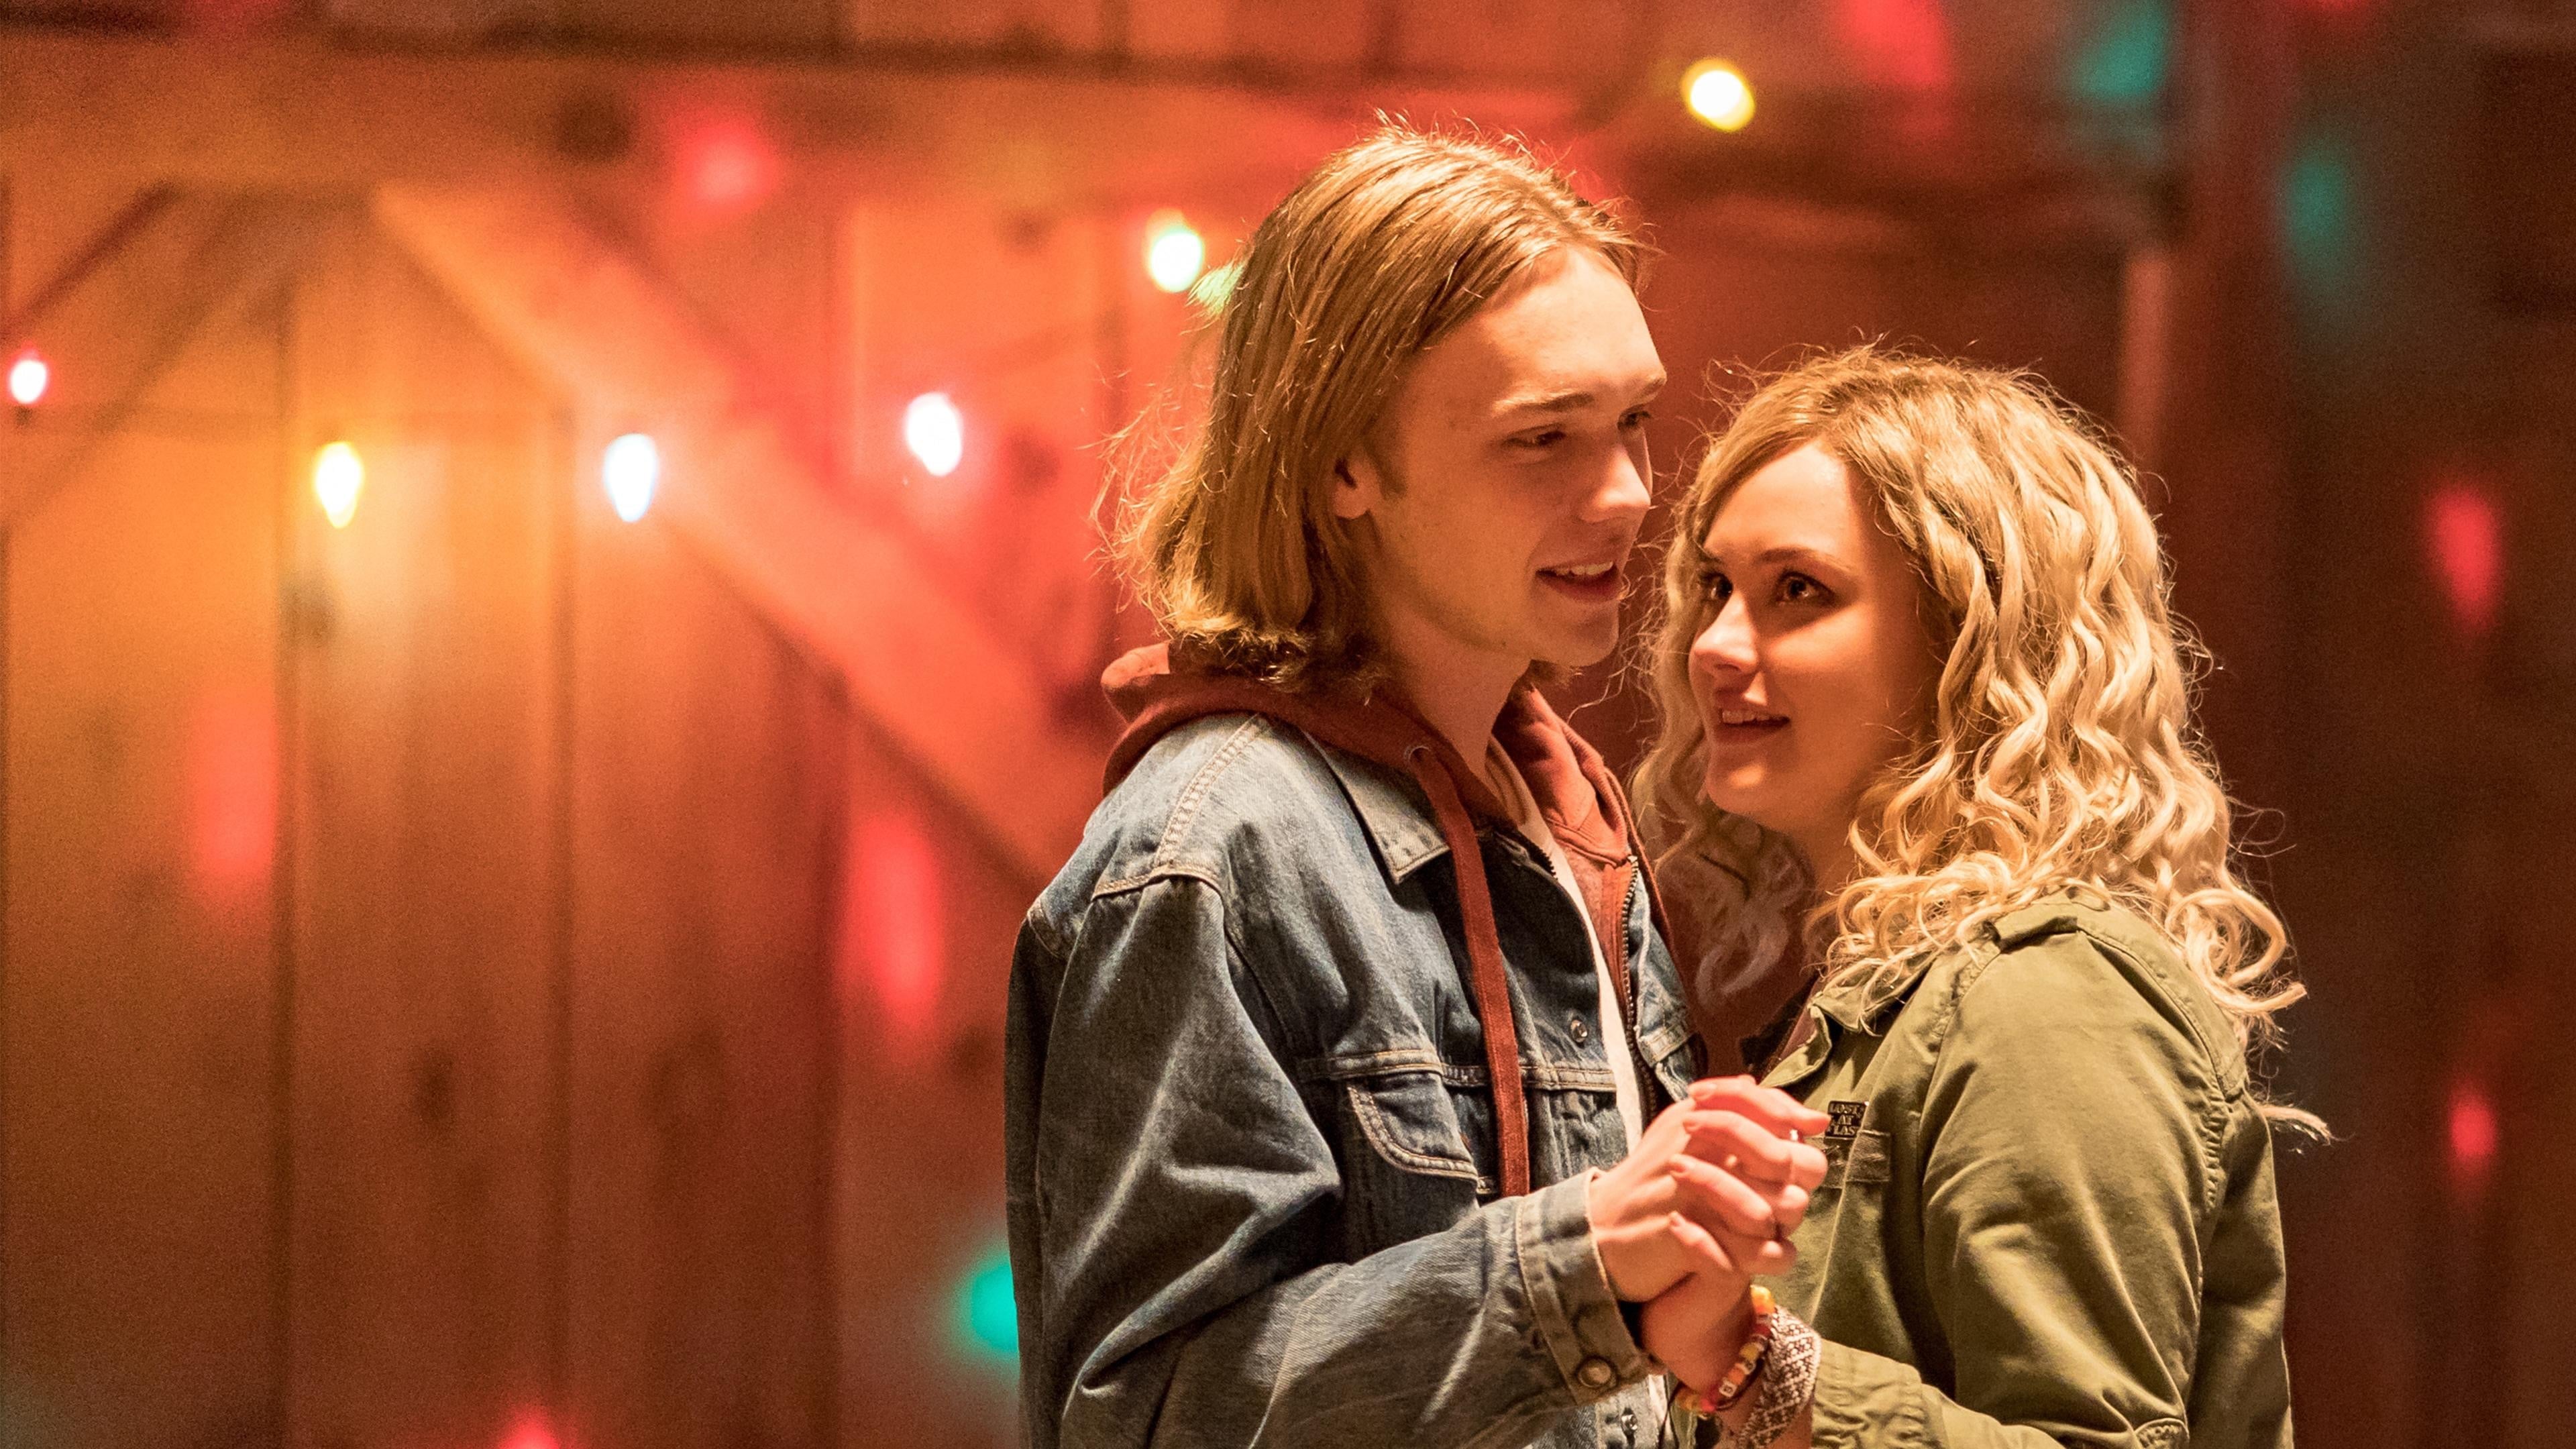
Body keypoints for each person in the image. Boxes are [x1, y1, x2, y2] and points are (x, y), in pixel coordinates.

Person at [1004, 127, 1829, 1448]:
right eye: (1542, 439)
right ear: (1344, 465)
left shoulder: (1570, 813)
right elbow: (1148, 1415)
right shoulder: (1208, 856)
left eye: (1632, 425)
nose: (1623, 496)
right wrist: (1580, 1259)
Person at [1631, 347, 2312, 1448]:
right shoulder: (1893, 985)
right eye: (1717, 587)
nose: (1713, 644)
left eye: (1796, 591)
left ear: (1968, 638)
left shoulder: (2045, 995)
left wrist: (1750, 1362)